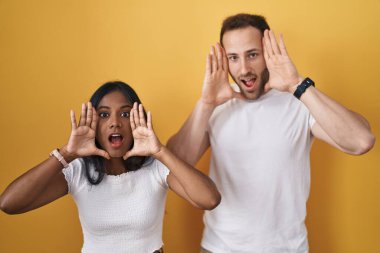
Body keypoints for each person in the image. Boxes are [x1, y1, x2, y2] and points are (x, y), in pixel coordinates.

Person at [167, 13, 375, 253]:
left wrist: (297, 85)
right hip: (219, 248)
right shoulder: (215, 105)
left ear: (268, 52)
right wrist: (205, 103)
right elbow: (173, 167)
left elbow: (361, 141)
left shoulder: (298, 102)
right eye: (234, 58)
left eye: (252, 55)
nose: (243, 69)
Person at [0, 81, 221, 253]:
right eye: (104, 114)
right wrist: (67, 153)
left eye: (125, 113)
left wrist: (160, 151)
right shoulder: (78, 171)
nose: (115, 122)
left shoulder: (155, 167)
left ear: (137, 120)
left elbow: (209, 199)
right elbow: (9, 203)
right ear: (94, 125)